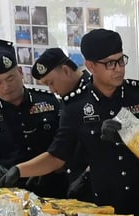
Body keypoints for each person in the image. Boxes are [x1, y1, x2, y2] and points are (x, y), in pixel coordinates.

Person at [6, 29, 139, 216]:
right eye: (110, 63)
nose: (119, 68)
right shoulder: (76, 106)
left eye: (121, 60)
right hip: (103, 207)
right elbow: (57, 156)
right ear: (91, 66)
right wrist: (18, 170)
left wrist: (130, 130)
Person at [0, 50, 66, 197]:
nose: (6, 87)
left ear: (20, 73)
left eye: (10, 78)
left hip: (52, 187)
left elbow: (66, 145)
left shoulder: (48, 101)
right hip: (10, 193)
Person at [30, 47, 91, 198]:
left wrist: (88, 175)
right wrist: (46, 169)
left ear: (65, 70)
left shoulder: (94, 92)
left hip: (99, 185)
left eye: (51, 82)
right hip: (73, 184)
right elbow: (65, 146)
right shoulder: (68, 98)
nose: (51, 90)